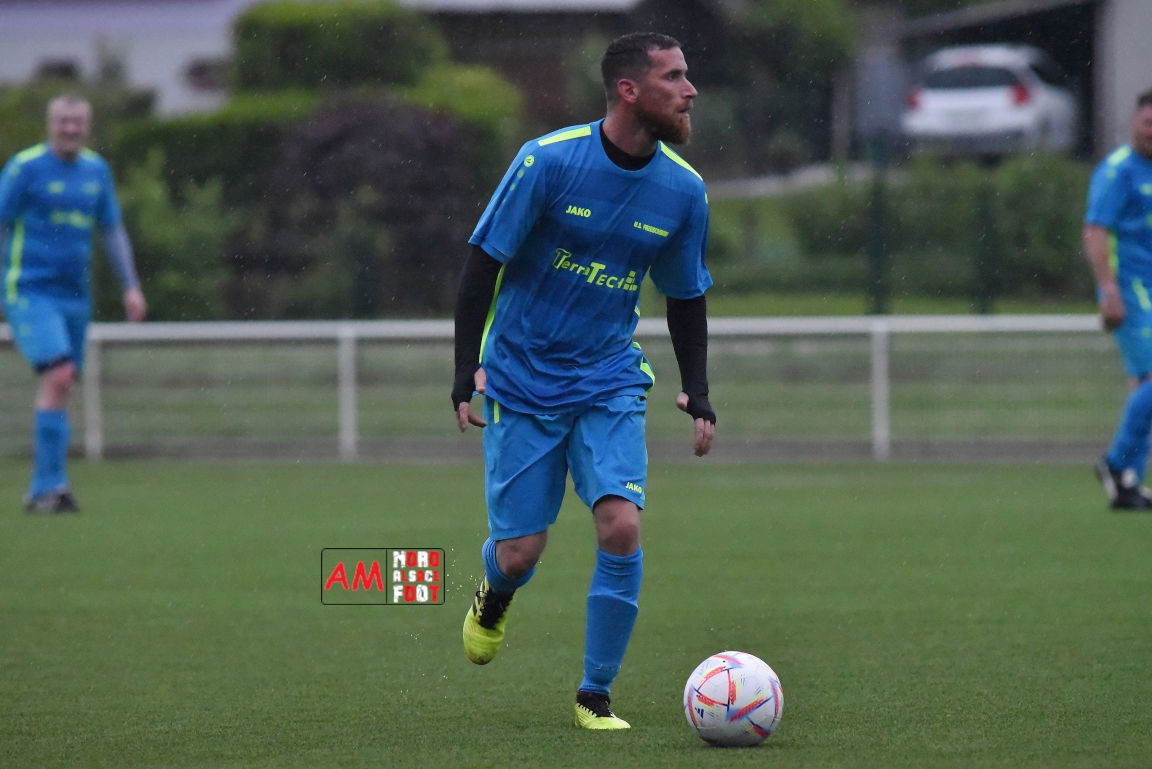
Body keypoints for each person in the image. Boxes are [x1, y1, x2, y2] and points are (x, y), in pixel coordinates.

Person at [451, 32, 715, 729]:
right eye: (673, 77)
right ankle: (495, 591)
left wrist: (697, 388)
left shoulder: (684, 191)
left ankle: (594, 694)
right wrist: (463, 369)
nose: (689, 91)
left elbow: (685, 295)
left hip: (608, 379)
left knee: (621, 526)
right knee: (520, 552)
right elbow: (483, 262)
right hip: (521, 378)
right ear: (629, 89)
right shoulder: (547, 161)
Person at [0, 94, 146, 513]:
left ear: (87, 126)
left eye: (77, 122)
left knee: (62, 385)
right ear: (50, 124)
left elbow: (112, 230)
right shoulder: (25, 168)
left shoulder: (96, 170)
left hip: (75, 296)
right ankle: (49, 487)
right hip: (30, 290)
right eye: (63, 121)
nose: (70, 129)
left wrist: (131, 286)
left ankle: (45, 490)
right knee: (59, 375)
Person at [1086, 88, 1152, 510]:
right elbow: (1095, 231)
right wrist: (1108, 290)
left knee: (1145, 385)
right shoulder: (1118, 170)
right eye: (1148, 122)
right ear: (1134, 122)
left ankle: (1128, 483)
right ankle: (1114, 464)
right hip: (1129, 288)